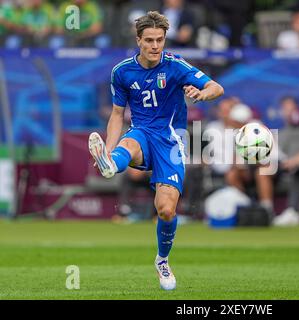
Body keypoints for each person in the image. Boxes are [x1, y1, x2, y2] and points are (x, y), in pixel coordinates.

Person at [88, 11, 224, 290]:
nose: (155, 46)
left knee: (165, 211)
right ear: (138, 40)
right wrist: (110, 147)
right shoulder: (122, 71)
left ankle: (162, 260)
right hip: (142, 133)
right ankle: (110, 163)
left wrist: (202, 94)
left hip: (172, 141)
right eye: (149, 40)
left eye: (159, 40)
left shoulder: (176, 66)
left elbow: (216, 87)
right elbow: (117, 114)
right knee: (129, 143)